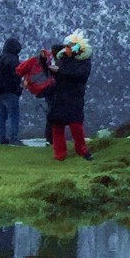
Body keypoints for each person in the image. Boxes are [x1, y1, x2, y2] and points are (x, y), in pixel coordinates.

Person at [43, 32, 93, 162]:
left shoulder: (84, 62)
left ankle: (81, 150)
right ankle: (60, 154)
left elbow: (81, 76)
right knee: (57, 126)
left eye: (70, 46)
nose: (67, 49)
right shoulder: (63, 59)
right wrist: (45, 63)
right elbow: (55, 74)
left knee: (76, 126)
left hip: (73, 97)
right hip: (59, 96)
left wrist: (60, 72)